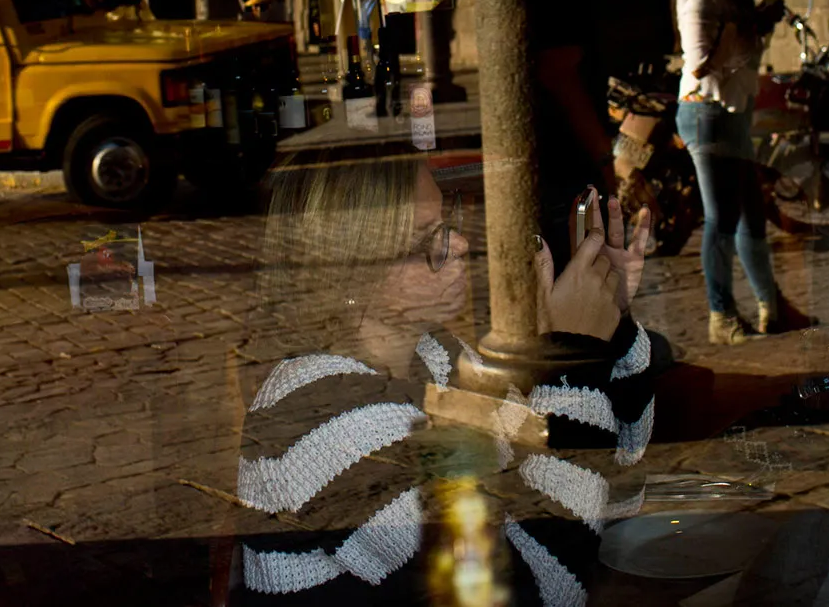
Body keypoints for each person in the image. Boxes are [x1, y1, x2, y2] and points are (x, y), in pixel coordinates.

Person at [235, 153, 659, 603]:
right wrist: (575, 358)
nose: (457, 244)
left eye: (447, 220)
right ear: (348, 275)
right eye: (425, 240)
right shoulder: (317, 415)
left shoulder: (439, 356)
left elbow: (613, 491)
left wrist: (611, 324)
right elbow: (535, 588)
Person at [672, 0, 804, 344]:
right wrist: (749, 29)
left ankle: (773, 307)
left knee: (751, 214)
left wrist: (756, 22)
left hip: (730, 111)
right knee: (722, 218)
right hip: (706, 111)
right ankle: (721, 316)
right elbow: (700, 61)